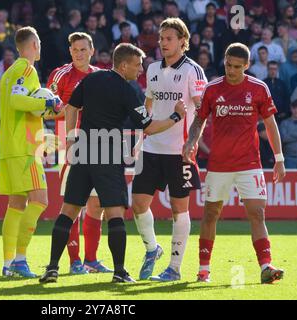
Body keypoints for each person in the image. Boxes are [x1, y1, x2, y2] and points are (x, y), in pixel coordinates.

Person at [39, 43, 187, 284]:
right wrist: (175, 116)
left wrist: (70, 137)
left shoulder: (91, 79)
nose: (140, 70)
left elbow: (72, 107)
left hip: (83, 151)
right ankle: (119, 272)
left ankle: (52, 268)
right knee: (115, 214)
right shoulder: (127, 90)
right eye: (138, 65)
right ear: (124, 65)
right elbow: (148, 126)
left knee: (68, 211)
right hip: (108, 155)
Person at [182, 42, 286, 284]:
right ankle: (203, 270)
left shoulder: (259, 88)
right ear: (225, 60)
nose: (231, 70)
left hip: (250, 163)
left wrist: (279, 158)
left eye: (237, 67)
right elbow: (200, 120)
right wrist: (191, 142)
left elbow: (270, 124)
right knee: (210, 214)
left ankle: (265, 266)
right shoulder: (212, 88)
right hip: (219, 164)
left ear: (247, 66)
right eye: (228, 65)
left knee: (257, 213)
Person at [131, 17, 207, 282]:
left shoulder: (193, 71)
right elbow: (148, 104)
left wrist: (193, 140)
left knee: (179, 208)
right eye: (161, 38)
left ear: (183, 42)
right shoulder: (152, 69)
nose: (163, 42)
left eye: (169, 38)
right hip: (152, 148)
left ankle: (174, 268)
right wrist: (143, 134)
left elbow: (202, 109)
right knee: (138, 203)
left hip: (179, 151)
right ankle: (153, 249)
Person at [0, 27, 62, 278]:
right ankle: (20, 260)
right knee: (40, 201)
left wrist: (50, 109)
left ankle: (7, 263)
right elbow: (19, 102)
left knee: (15, 205)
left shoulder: (8, 73)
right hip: (25, 148)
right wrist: (49, 102)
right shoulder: (27, 69)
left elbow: (21, 105)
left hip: (9, 147)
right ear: (34, 43)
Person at [46, 32, 111, 275]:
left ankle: (91, 260)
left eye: (83, 49)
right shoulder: (60, 75)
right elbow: (46, 111)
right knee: (72, 204)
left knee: (96, 205)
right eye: (75, 50)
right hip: (72, 146)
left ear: (92, 51)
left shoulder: (101, 77)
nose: (79, 54)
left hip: (98, 146)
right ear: (70, 51)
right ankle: (74, 261)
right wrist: (70, 109)